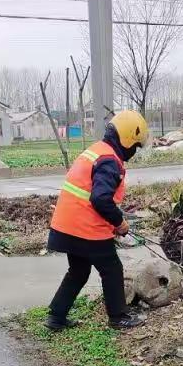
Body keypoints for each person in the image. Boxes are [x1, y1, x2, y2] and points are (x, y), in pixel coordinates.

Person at [45, 110, 149, 331]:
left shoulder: (95, 151)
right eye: (136, 146)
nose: (134, 152)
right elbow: (100, 199)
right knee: (111, 268)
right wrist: (119, 223)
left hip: (66, 226)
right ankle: (118, 317)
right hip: (85, 228)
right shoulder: (110, 160)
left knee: (79, 271)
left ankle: (56, 317)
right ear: (128, 139)